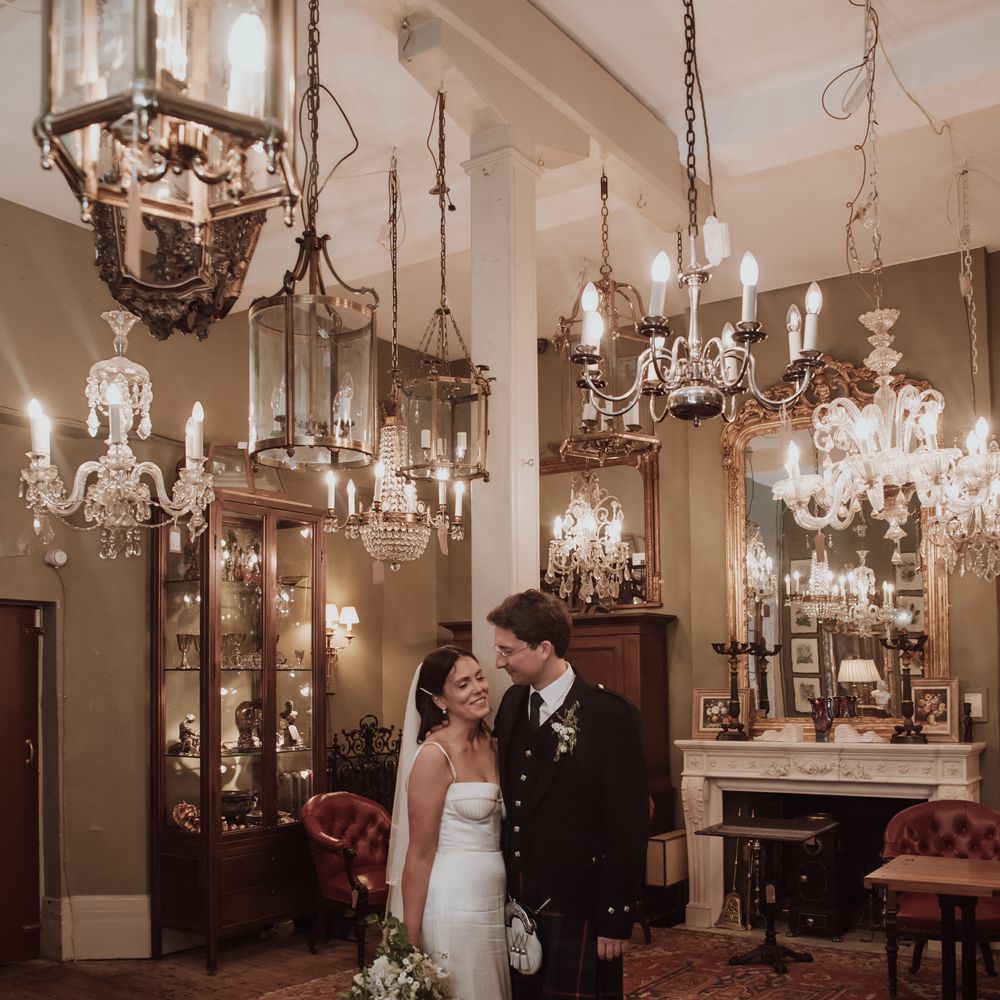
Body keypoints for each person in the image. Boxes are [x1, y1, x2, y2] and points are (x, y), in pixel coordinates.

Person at [489, 589, 649, 1000]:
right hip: (517, 901)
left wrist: (615, 917)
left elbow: (627, 826)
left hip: (579, 903)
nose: (498, 662)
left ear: (544, 648)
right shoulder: (510, 704)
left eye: (507, 651)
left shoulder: (611, 715)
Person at [387, 645, 512, 1000]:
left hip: (495, 898)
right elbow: (420, 852)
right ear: (440, 701)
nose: (479, 688)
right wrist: (410, 938)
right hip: (454, 902)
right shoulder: (433, 756)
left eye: (480, 677)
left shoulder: (495, 746)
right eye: (463, 684)